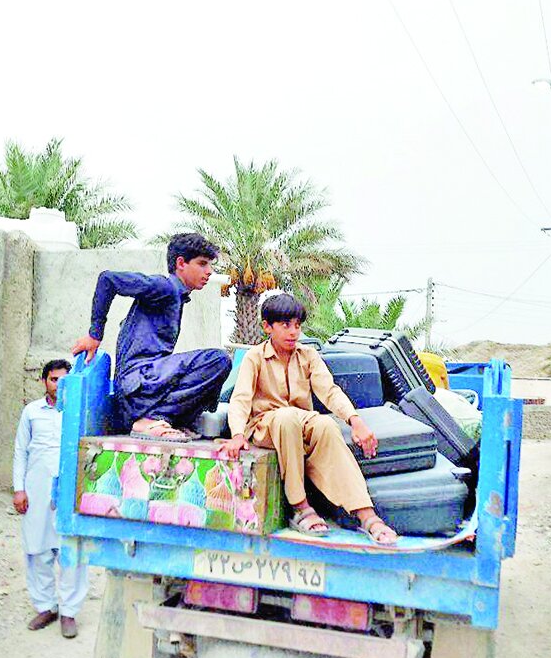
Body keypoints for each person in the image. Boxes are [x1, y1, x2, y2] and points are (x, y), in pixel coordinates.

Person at [218, 293, 398, 545]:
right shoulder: (254, 357)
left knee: (325, 424)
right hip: (265, 425)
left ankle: (367, 515)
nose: (293, 332)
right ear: (267, 327)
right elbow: (241, 399)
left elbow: (329, 390)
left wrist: (355, 420)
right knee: (286, 417)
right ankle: (300, 506)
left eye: (297, 326)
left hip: (301, 422)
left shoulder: (309, 355)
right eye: (285, 325)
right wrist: (237, 435)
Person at [71, 232, 231, 442]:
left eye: (210, 265)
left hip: (148, 385)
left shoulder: (177, 296)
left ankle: (171, 420)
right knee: (218, 360)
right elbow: (108, 280)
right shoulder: (165, 287)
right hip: (138, 385)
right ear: (181, 263)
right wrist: (95, 335)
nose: (209, 272)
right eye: (202, 264)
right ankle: (149, 420)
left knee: (213, 369)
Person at [13, 358, 89, 639]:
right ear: (44, 381)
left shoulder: (78, 412)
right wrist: (18, 488)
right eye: (53, 379)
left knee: (70, 549)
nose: (58, 385)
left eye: (63, 380)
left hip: (70, 491)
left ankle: (69, 612)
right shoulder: (31, 412)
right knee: (38, 549)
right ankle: (46, 606)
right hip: (37, 489)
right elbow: (21, 451)